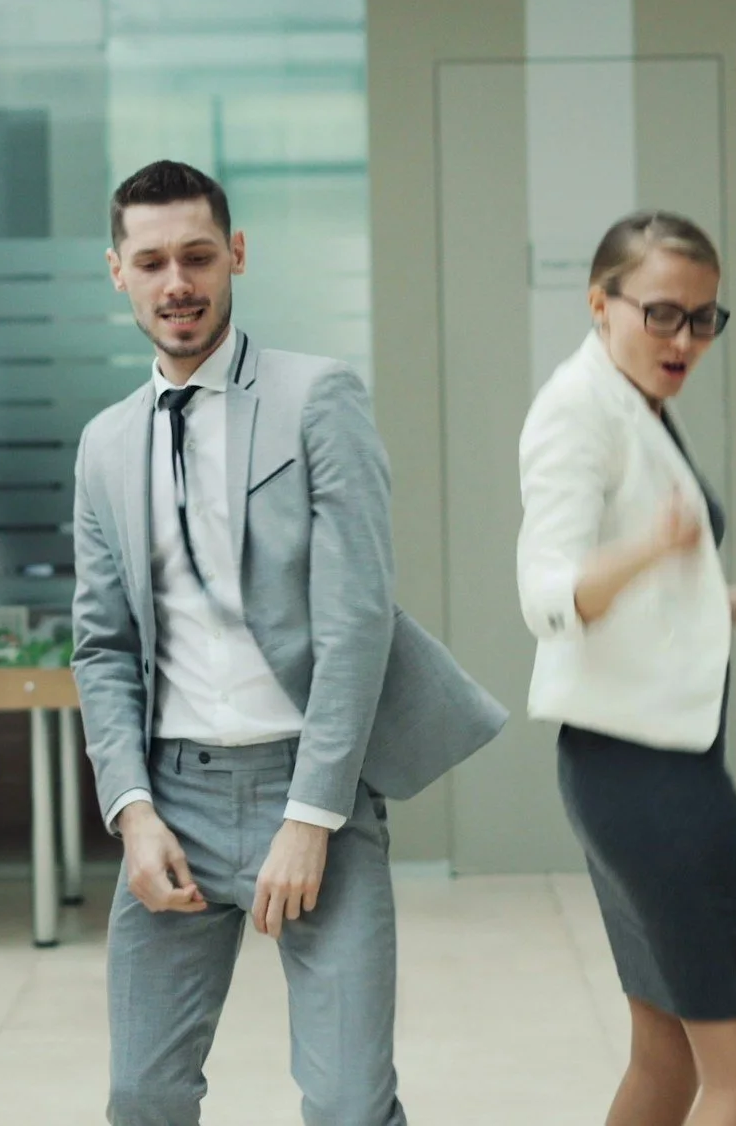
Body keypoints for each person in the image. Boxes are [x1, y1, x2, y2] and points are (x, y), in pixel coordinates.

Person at [69, 160, 506, 1126]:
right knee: (142, 1098)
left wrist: (313, 815)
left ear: (235, 254)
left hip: (312, 789)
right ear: (118, 272)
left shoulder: (318, 399)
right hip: (169, 794)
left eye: (195, 256)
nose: (176, 282)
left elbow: (357, 619)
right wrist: (132, 814)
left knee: (350, 1102)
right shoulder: (104, 444)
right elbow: (100, 646)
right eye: (151, 262)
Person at [516, 210, 736, 1126]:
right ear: (600, 302)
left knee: (666, 1061)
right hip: (651, 781)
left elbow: (651, 589)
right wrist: (649, 549)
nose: (685, 340)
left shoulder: (630, 403)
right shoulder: (577, 413)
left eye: (704, 318)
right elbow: (546, 594)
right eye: (662, 314)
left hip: (623, 769)